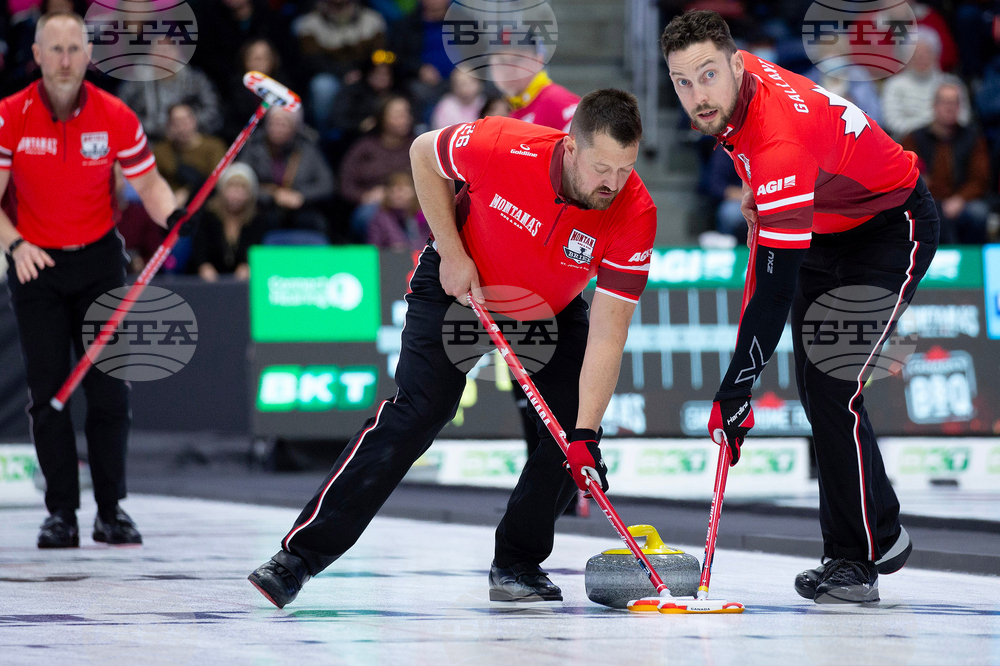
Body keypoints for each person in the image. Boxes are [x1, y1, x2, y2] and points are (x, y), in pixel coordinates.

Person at [248, 89, 657, 609]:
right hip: (460, 284)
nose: (613, 184)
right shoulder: (503, 143)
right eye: (603, 168)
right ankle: (299, 558)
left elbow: (607, 333)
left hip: (546, 308)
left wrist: (586, 434)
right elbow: (423, 153)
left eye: (625, 170)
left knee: (569, 431)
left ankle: (517, 563)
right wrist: (452, 249)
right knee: (421, 410)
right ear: (570, 147)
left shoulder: (634, 211)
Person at [662, 10, 938, 604]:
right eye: (682, 82)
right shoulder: (742, 92)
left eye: (707, 76)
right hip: (824, 225)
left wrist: (735, 390)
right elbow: (766, 244)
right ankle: (872, 540)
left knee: (835, 380)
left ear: (736, 65)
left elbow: (772, 288)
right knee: (816, 385)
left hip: (889, 225)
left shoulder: (778, 139)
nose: (696, 96)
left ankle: (858, 559)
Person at [0, 12, 183, 548]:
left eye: (73, 49)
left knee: (108, 393)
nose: (63, 59)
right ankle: (61, 513)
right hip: (36, 263)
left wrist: (171, 217)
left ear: (87, 55)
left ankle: (111, 510)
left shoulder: (115, 114)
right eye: (53, 49)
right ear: (35, 55)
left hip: (100, 261)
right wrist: (14, 244)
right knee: (48, 393)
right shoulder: (11, 115)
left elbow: (150, 186)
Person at [901, 81, 992, 244]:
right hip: (927, 201)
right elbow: (906, 175)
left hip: (962, 200)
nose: (949, 107)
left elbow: (980, 179)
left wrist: (960, 199)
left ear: (960, 107)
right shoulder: (914, 138)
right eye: (944, 102)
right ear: (934, 105)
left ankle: (971, 265)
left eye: (954, 102)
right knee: (921, 213)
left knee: (979, 213)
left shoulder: (973, 138)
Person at [238, 107, 336, 236]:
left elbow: (327, 184)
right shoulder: (254, 147)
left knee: (316, 222)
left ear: (294, 128)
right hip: (263, 208)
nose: (277, 129)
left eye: (283, 124)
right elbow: (240, 182)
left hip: (302, 208)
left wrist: (301, 196)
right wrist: (274, 196)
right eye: (273, 123)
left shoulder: (307, 148)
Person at [294, 0, 387, 134]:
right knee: (322, 86)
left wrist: (362, 73)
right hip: (331, 75)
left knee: (381, 80)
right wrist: (343, 73)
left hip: (365, 75)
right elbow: (312, 61)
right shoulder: (310, 23)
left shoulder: (373, 20)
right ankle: (324, 136)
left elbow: (379, 54)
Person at [339, 95, 415, 238]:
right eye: (398, 115)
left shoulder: (418, 145)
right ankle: (390, 253)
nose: (404, 119)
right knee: (372, 215)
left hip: (412, 204)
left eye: (406, 113)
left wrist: (411, 196)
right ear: (382, 118)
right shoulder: (364, 147)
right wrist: (364, 196)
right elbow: (345, 184)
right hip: (374, 205)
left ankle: (422, 254)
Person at [117, 41, 223, 140]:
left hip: (194, 138)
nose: (163, 55)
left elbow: (213, 108)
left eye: (168, 50)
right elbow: (123, 113)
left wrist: (188, 125)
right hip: (149, 140)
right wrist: (160, 129)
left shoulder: (195, 79)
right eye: (158, 50)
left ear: (177, 52)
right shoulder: (135, 83)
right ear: (149, 54)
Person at [880, 31, 970, 139]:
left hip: (949, 142)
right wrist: (933, 125)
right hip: (906, 144)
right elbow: (892, 123)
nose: (921, 58)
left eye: (927, 53)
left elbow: (964, 117)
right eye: (915, 54)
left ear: (936, 54)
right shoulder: (894, 85)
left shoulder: (951, 83)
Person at [189, 164, 265, 282]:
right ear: (222, 189)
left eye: (242, 188)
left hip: (242, 284)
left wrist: (248, 265)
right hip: (207, 283)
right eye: (231, 186)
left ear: (250, 193)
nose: (236, 193)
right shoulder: (208, 216)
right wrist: (203, 266)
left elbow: (257, 249)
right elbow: (199, 247)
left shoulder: (256, 219)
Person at [152, 103, 228, 207]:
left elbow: (217, 181)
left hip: (207, 204)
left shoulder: (214, 146)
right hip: (171, 205)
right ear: (169, 126)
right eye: (176, 122)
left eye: (186, 120)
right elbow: (154, 182)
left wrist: (188, 192)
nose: (182, 127)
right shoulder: (162, 150)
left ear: (194, 120)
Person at [490, 46, 579, 132]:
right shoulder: (514, 107)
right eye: (501, 61)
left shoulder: (557, 101)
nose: (508, 70)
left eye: (518, 59)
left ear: (538, 60)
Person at [365, 171, 427, 250]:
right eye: (392, 191)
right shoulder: (381, 218)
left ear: (414, 192)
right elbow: (373, 247)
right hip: (390, 259)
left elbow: (428, 243)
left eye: (400, 189)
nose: (397, 194)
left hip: (419, 258)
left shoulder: (422, 216)